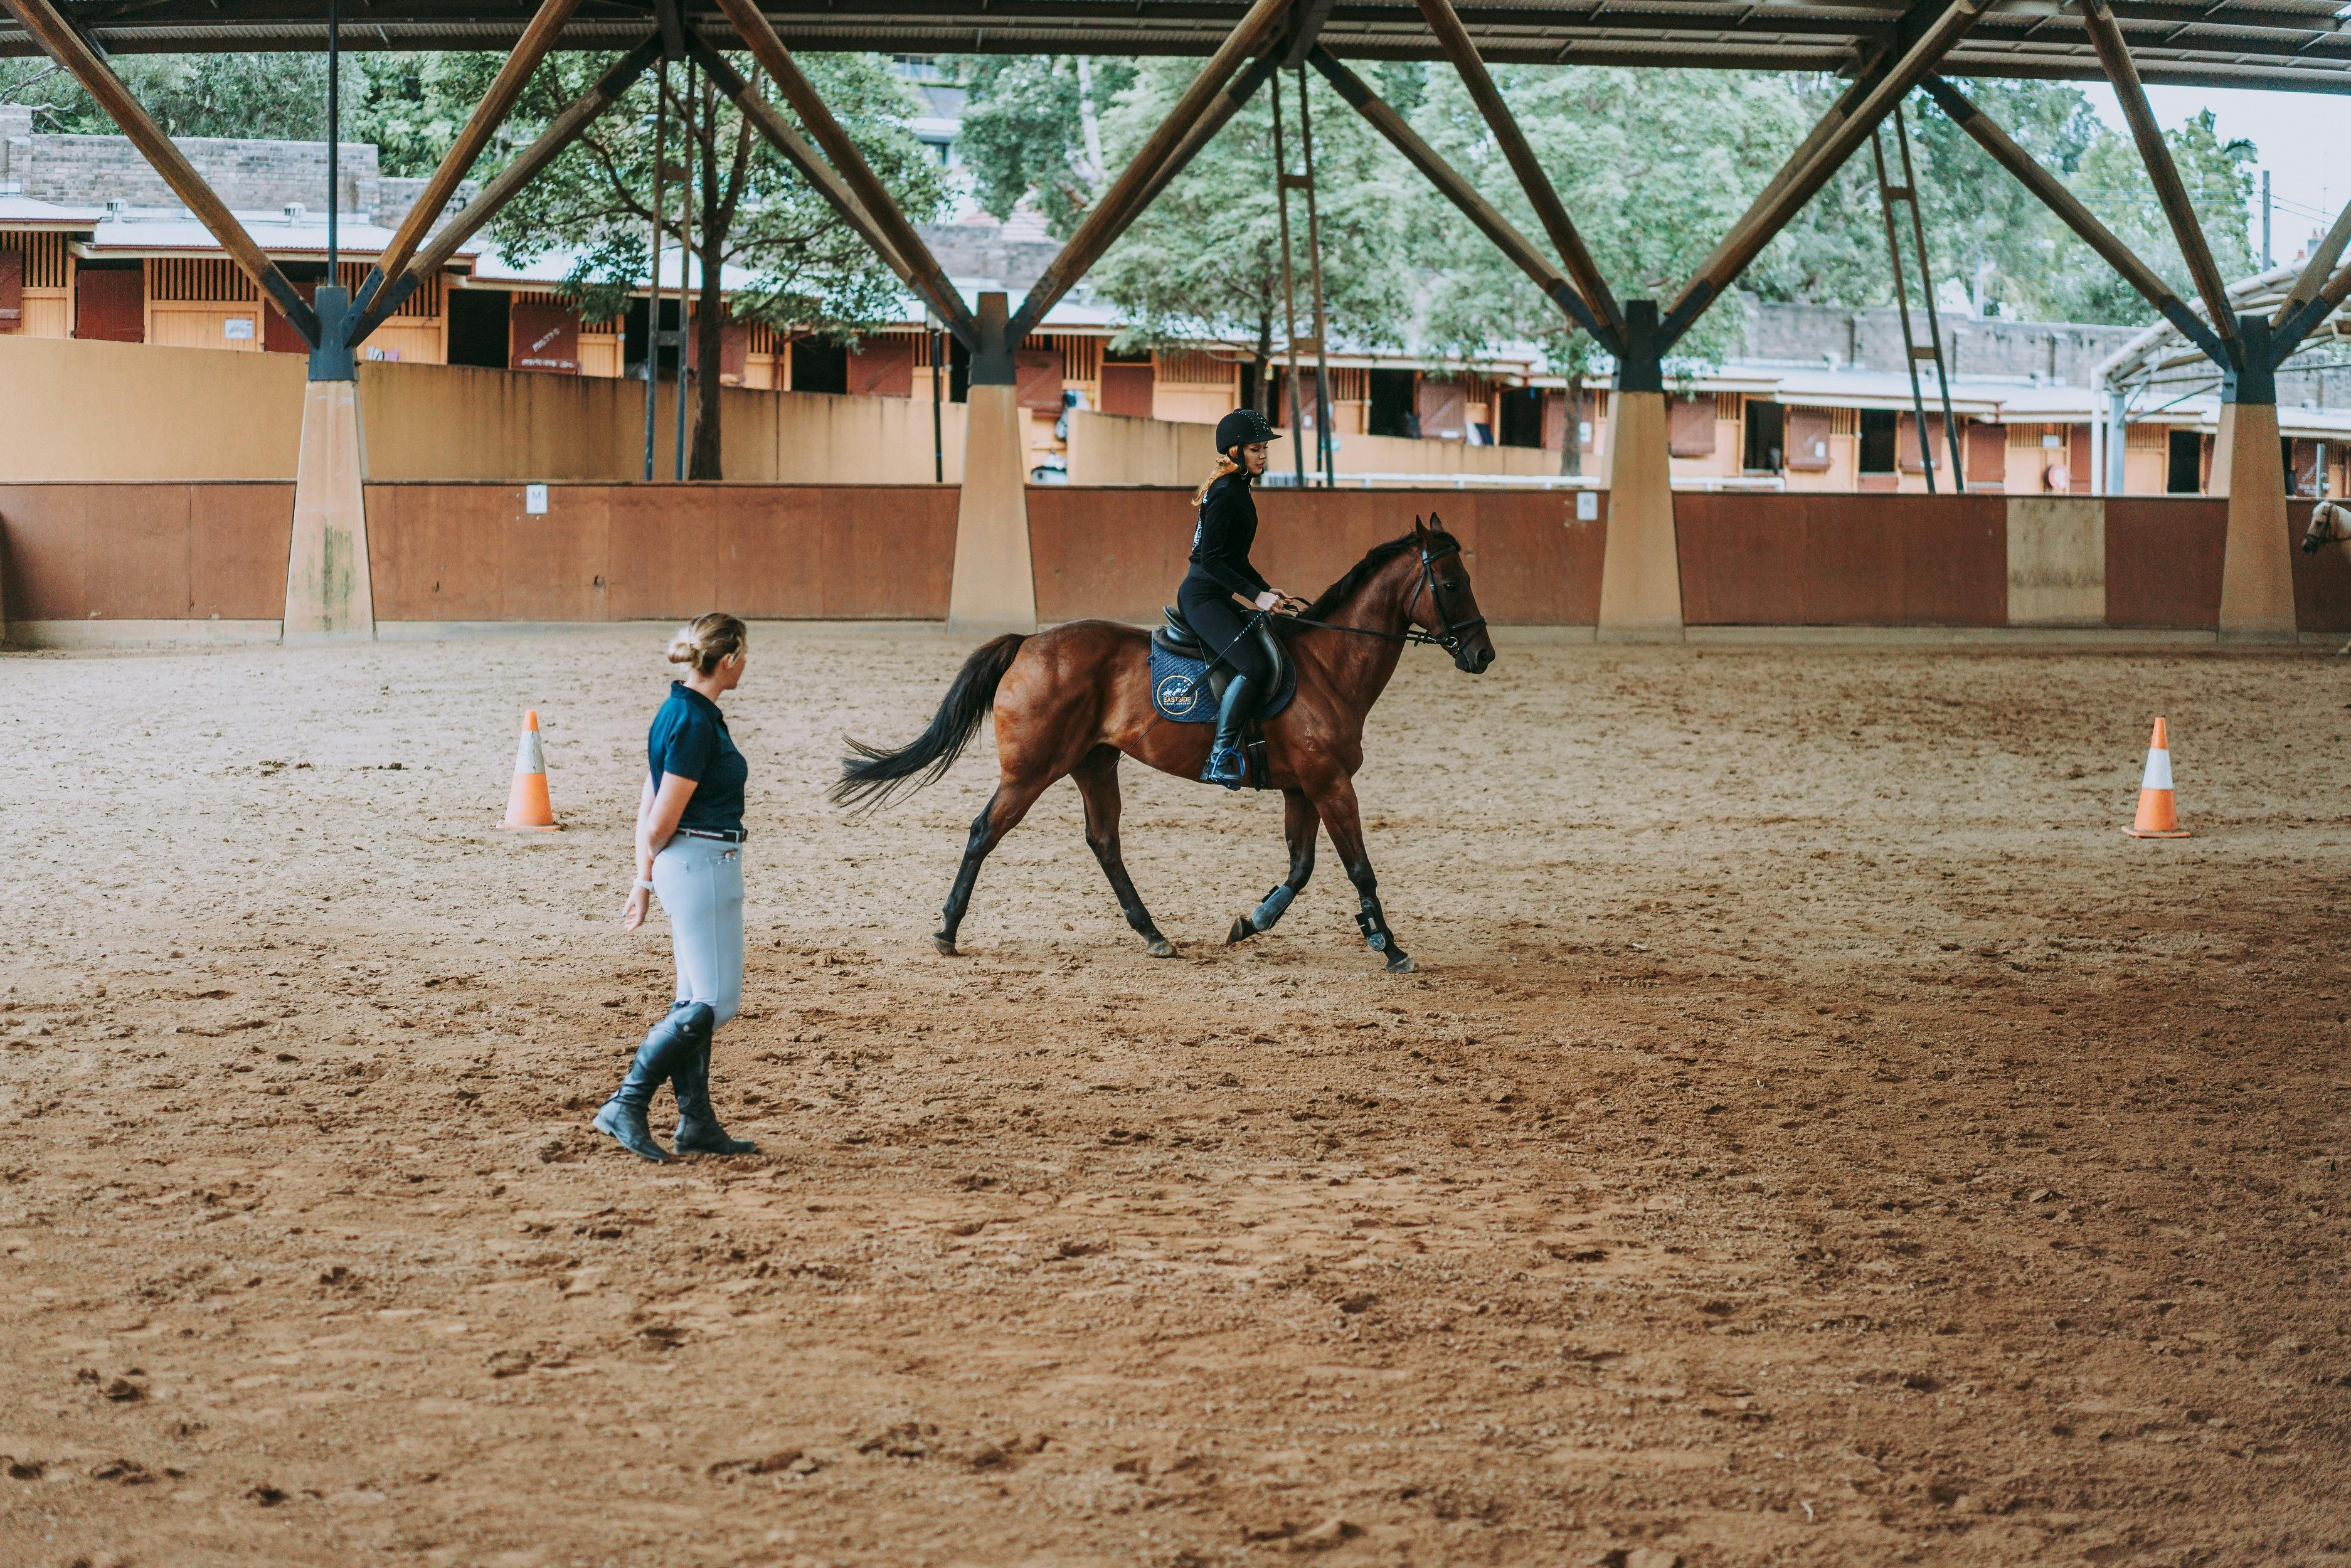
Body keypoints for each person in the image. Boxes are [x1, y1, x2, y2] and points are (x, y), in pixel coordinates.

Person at [593, 613, 759, 1163]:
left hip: (687, 864)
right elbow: (659, 819)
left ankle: (696, 1124)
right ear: (729, 658)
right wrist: (652, 866)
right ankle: (627, 1102)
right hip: (700, 861)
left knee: (694, 997)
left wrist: (643, 878)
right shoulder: (692, 721)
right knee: (717, 1000)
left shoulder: (680, 710)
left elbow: (646, 800)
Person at [1181, 408, 1302, 788]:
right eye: (1255, 449)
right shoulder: (1225, 494)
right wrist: (1254, 596)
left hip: (1216, 594)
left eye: (1264, 448)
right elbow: (1212, 561)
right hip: (1202, 597)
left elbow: (1236, 560)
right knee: (1253, 666)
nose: (1262, 455)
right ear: (1235, 452)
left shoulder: (1237, 489)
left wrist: (1266, 591)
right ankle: (1221, 755)